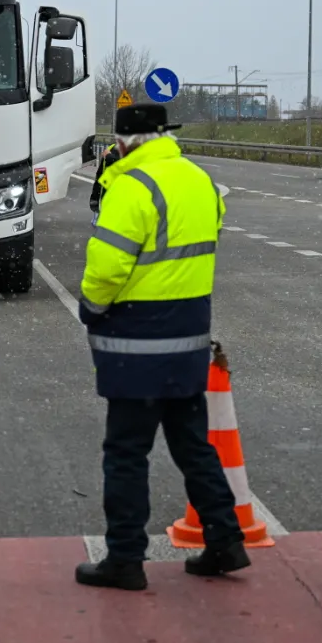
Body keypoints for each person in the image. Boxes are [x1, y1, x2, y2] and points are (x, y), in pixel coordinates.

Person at [74, 104, 251, 591]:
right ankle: (225, 541)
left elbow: (107, 268)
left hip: (136, 342)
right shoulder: (201, 182)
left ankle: (126, 559)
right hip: (188, 337)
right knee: (194, 446)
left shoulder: (131, 188)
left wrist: (91, 307)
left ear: (125, 142)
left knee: (127, 452)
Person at [89, 140, 121, 222]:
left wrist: (109, 157)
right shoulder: (112, 147)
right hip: (105, 194)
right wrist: (95, 198)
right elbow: (100, 174)